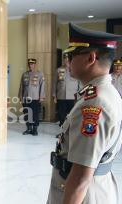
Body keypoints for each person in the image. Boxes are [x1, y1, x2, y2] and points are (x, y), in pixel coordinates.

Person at [47, 23, 122, 204]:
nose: (68, 61)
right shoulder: (104, 92)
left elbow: (81, 177)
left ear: (90, 58)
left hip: (86, 195)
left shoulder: (95, 104)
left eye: (72, 55)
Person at [18, 58, 46, 136]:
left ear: (35, 64)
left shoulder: (40, 74)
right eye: (30, 64)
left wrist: (41, 97)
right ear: (28, 65)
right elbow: (21, 86)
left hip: (35, 98)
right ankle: (29, 128)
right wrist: (20, 97)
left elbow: (42, 86)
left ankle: (35, 129)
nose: (31, 65)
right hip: (26, 98)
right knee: (27, 113)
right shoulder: (24, 74)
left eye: (32, 64)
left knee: (35, 114)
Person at [53, 53, 80, 127]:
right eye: (65, 59)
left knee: (72, 114)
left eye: (68, 59)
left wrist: (80, 95)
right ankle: (62, 131)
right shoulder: (59, 70)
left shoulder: (75, 69)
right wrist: (54, 96)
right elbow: (55, 83)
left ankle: (70, 130)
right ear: (63, 59)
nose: (66, 60)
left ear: (70, 60)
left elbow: (79, 83)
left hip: (72, 96)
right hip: (61, 95)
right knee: (61, 114)